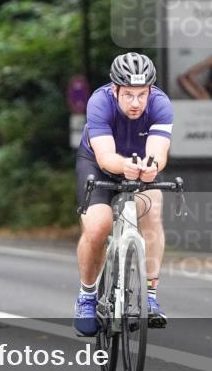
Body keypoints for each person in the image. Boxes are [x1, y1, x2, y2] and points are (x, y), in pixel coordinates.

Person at [74, 52, 173, 336]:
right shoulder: (99, 102)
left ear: (150, 91)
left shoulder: (161, 104)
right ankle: (87, 294)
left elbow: (158, 152)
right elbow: (105, 157)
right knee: (97, 227)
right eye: (128, 94)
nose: (135, 103)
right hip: (98, 164)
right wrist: (125, 166)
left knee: (152, 208)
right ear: (114, 89)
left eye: (142, 95)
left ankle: (150, 295)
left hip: (141, 166)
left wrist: (151, 167)